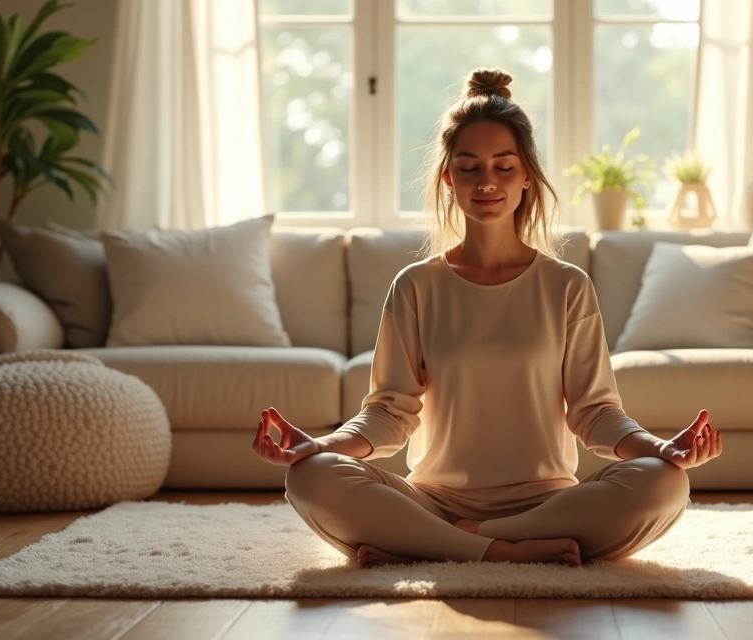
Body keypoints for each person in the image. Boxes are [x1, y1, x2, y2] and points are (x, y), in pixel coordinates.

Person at [251, 68, 723, 569]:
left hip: (549, 504)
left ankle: (450, 542)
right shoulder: (416, 286)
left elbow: (594, 413)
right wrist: (320, 444)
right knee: (309, 475)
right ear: (448, 177)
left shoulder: (567, 286)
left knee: (666, 482)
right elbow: (389, 413)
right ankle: (498, 549)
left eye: (503, 166)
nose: (486, 183)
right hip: (433, 499)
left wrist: (659, 448)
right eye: (469, 167)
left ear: (527, 176)